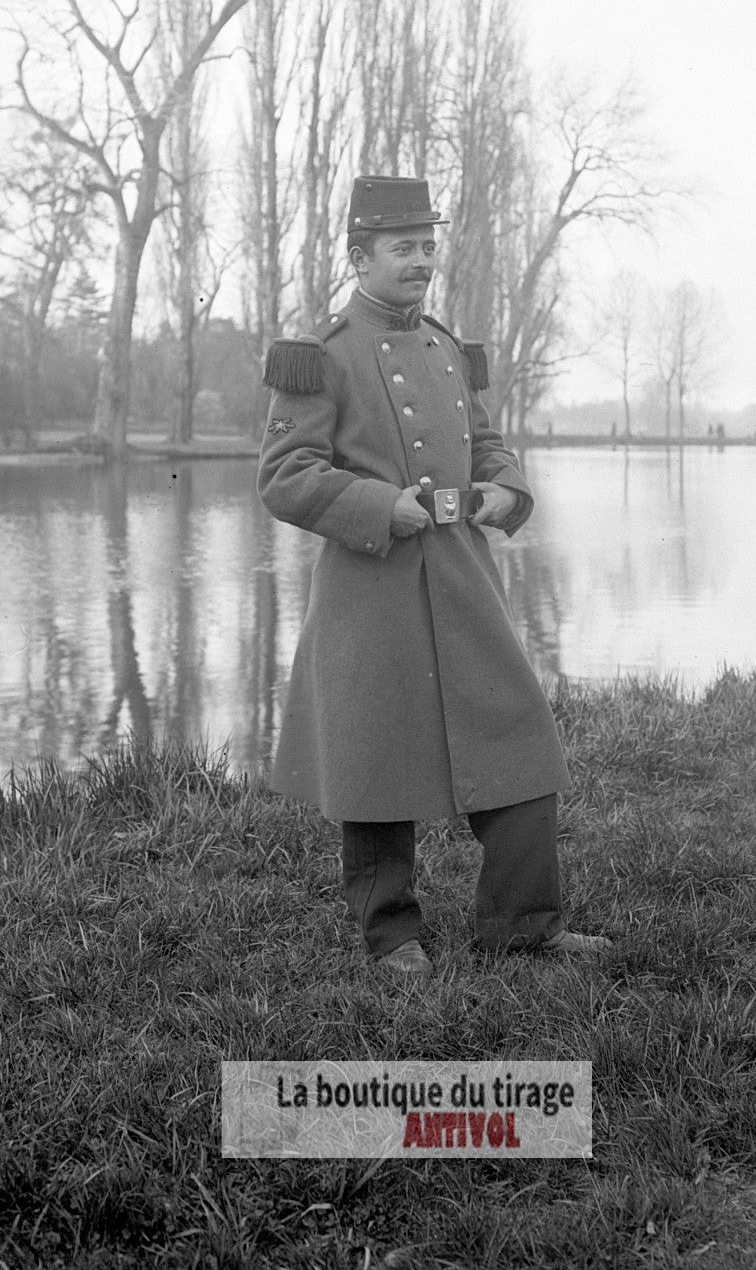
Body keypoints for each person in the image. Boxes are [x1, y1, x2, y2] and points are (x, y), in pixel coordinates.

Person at [257, 175, 609, 977]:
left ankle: (524, 925)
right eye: (403, 249)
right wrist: (383, 506)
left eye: (427, 247)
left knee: (520, 732)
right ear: (359, 255)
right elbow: (285, 474)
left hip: (462, 575)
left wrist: (505, 488)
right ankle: (390, 934)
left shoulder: (447, 347)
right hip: (371, 588)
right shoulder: (319, 359)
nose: (421, 262)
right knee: (376, 759)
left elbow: (487, 442)